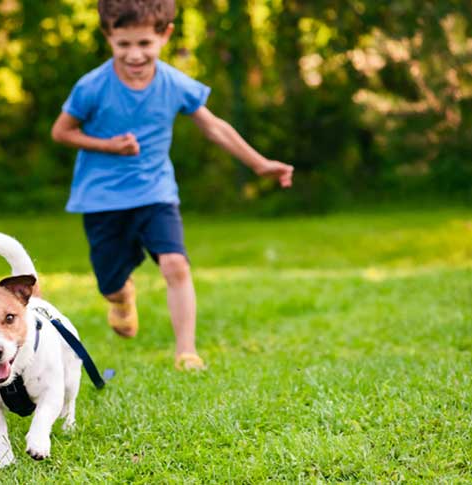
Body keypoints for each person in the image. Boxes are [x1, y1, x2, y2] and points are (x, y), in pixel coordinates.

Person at [51, 0, 293, 371]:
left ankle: (186, 352)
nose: (134, 55)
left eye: (144, 44)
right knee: (110, 284)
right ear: (109, 37)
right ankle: (120, 297)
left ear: (164, 36)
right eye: (124, 44)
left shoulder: (173, 83)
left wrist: (260, 164)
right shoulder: (92, 86)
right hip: (102, 199)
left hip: (155, 192)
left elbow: (214, 126)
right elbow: (61, 131)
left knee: (176, 264)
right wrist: (108, 146)